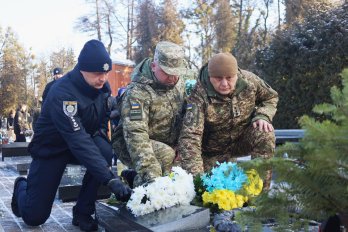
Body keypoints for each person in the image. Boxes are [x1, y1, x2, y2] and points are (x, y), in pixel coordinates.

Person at [11, 39, 132, 231]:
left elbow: (99, 125)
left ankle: (83, 212)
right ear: (82, 69)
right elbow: (78, 139)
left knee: (104, 152)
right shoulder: (63, 93)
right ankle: (21, 187)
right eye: (97, 73)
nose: (103, 78)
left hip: (80, 141)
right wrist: (110, 179)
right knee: (35, 216)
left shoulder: (102, 88)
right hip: (52, 148)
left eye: (106, 73)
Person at [177, 52, 278, 187]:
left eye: (229, 78)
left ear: (236, 74)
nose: (224, 83)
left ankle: (259, 190)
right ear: (210, 76)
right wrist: (197, 181)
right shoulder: (198, 95)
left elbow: (271, 97)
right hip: (211, 151)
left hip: (240, 140)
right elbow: (191, 137)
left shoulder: (250, 81)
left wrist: (263, 115)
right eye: (218, 78)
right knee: (212, 187)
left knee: (265, 133)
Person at [112, 41, 187, 188]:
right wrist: (151, 177)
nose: (172, 78)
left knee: (184, 163)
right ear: (154, 66)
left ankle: (135, 177)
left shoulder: (179, 84)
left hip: (168, 141)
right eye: (167, 72)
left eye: (176, 72)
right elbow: (136, 134)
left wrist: (181, 144)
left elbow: (186, 116)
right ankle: (141, 193)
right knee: (162, 163)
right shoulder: (137, 92)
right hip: (130, 143)